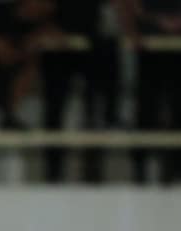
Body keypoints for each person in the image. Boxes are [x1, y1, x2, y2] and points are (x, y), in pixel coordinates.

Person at [127, 0, 181, 184]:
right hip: (150, 45)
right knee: (146, 109)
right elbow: (130, 6)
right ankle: (141, 167)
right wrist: (155, 22)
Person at [41, 0, 119, 184]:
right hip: (57, 44)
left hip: (91, 42)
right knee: (54, 110)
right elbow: (35, 8)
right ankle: (53, 171)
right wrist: (48, 26)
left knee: (94, 110)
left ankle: (92, 165)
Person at [0, 0, 57, 131]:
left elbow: (55, 36)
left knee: (32, 67)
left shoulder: (43, 22)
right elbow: (4, 55)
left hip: (12, 92)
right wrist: (28, 49)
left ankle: (8, 116)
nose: (49, 6)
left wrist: (38, 41)